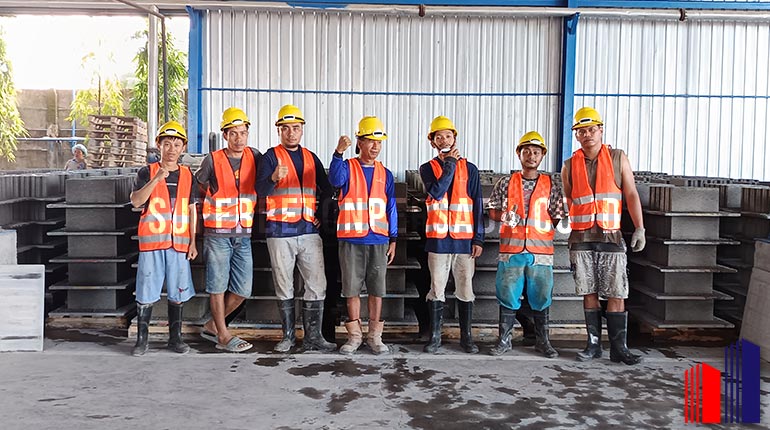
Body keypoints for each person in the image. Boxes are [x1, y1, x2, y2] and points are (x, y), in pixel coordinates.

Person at [561, 106, 646, 365]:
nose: (587, 135)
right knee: (588, 291)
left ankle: (619, 348)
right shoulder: (569, 165)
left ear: (601, 130)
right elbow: (568, 199)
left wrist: (640, 227)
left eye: (591, 130)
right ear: (576, 135)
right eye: (581, 131)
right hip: (581, 238)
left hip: (611, 236)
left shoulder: (618, 158)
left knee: (616, 292)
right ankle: (593, 345)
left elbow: (631, 194)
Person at [256, 104, 336, 353]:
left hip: (308, 232)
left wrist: (320, 216)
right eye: (286, 128)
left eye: (296, 128)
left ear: (302, 130)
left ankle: (314, 337)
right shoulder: (270, 157)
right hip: (280, 232)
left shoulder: (311, 157)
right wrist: (272, 178)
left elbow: (328, 189)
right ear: (278, 130)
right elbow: (260, 190)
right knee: (284, 285)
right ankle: (288, 337)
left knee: (317, 284)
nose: (291, 133)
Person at [486, 131, 566, 358]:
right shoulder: (506, 183)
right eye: (527, 151)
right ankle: (504, 340)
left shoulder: (551, 185)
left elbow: (557, 216)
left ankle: (543, 341)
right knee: (507, 293)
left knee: (541, 295)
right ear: (519, 154)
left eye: (536, 152)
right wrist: (504, 216)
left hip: (540, 252)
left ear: (542, 156)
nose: (531, 156)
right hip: (511, 250)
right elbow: (492, 210)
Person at [195, 107, 262, 353]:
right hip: (217, 234)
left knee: (243, 289)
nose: (238, 138)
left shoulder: (255, 156)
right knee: (217, 285)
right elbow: (197, 186)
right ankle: (223, 335)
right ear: (225, 135)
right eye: (233, 133)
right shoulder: (212, 160)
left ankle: (213, 325)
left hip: (243, 233)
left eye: (242, 133)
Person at [329, 116, 397, 355]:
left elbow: (391, 208)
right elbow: (334, 180)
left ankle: (375, 337)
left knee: (377, 290)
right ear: (359, 142)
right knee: (351, 289)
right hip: (351, 241)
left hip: (378, 240)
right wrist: (338, 153)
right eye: (370, 141)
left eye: (379, 142)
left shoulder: (385, 174)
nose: (375, 147)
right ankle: (355, 336)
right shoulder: (347, 167)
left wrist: (393, 239)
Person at [129, 121, 198, 356]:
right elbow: (136, 201)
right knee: (146, 291)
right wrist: (157, 179)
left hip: (179, 244)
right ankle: (142, 341)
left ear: (183, 148)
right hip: (152, 244)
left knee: (178, 292)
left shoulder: (188, 175)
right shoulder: (146, 172)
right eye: (167, 144)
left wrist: (193, 241)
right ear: (159, 145)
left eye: (176, 145)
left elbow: (192, 210)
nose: (171, 149)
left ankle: (175, 339)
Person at [419, 115, 484, 354]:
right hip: (438, 241)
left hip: (464, 243)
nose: (444, 140)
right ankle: (435, 337)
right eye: (439, 137)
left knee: (465, 288)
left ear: (454, 139)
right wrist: (450, 165)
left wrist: (478, 239)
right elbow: (436, 192)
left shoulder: (471, 169)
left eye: (448, 136)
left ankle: (466, 337)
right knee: (436, 288)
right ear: (432, 142)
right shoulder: (427, 168)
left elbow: (477, 205)